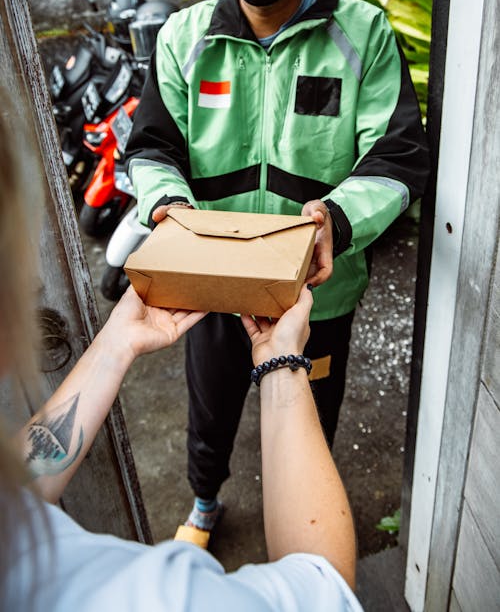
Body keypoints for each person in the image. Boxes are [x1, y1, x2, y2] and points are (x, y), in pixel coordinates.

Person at [124, 0, 430, 541]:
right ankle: (204, 501)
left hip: (319, 291)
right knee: (209, 409)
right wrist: (169, 210)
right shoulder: (184, 39)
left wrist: (338, 220)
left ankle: (299, 528)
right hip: (211, 286)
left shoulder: (363, 34)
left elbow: (399, 153)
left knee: (310, 413)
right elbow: (151, 148)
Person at [0, 87, 363, 610]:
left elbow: (22, 480)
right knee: (209, 412)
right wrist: (281, 362)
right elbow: (325, 584)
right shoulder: (156, 594)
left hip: (253, 288)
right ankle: (204, 500)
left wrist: (118, 341)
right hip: (241, 308)